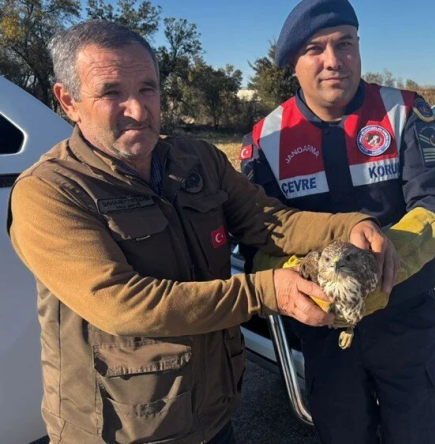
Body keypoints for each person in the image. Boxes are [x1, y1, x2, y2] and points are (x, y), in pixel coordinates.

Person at [6, 19, 398, 444]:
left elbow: (268, 220)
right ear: (69, 101)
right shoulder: (49, 192)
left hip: (212, 412)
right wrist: (267, 292)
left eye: (147, 89)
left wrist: (352, 224)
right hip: (125, 430)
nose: (137, 110)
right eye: (111, 93)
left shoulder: (196, 161)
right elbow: (122, 305)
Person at [239, 0, 435, 442]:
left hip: (405, 319)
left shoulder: (404, 111)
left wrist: (384, 262)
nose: (333, 61)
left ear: (359, 48)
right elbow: (256, 237)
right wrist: (302, 284)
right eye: (315, 49)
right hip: (323, 331)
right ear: (292, 64)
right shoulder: (265, 138)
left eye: (345, 44)